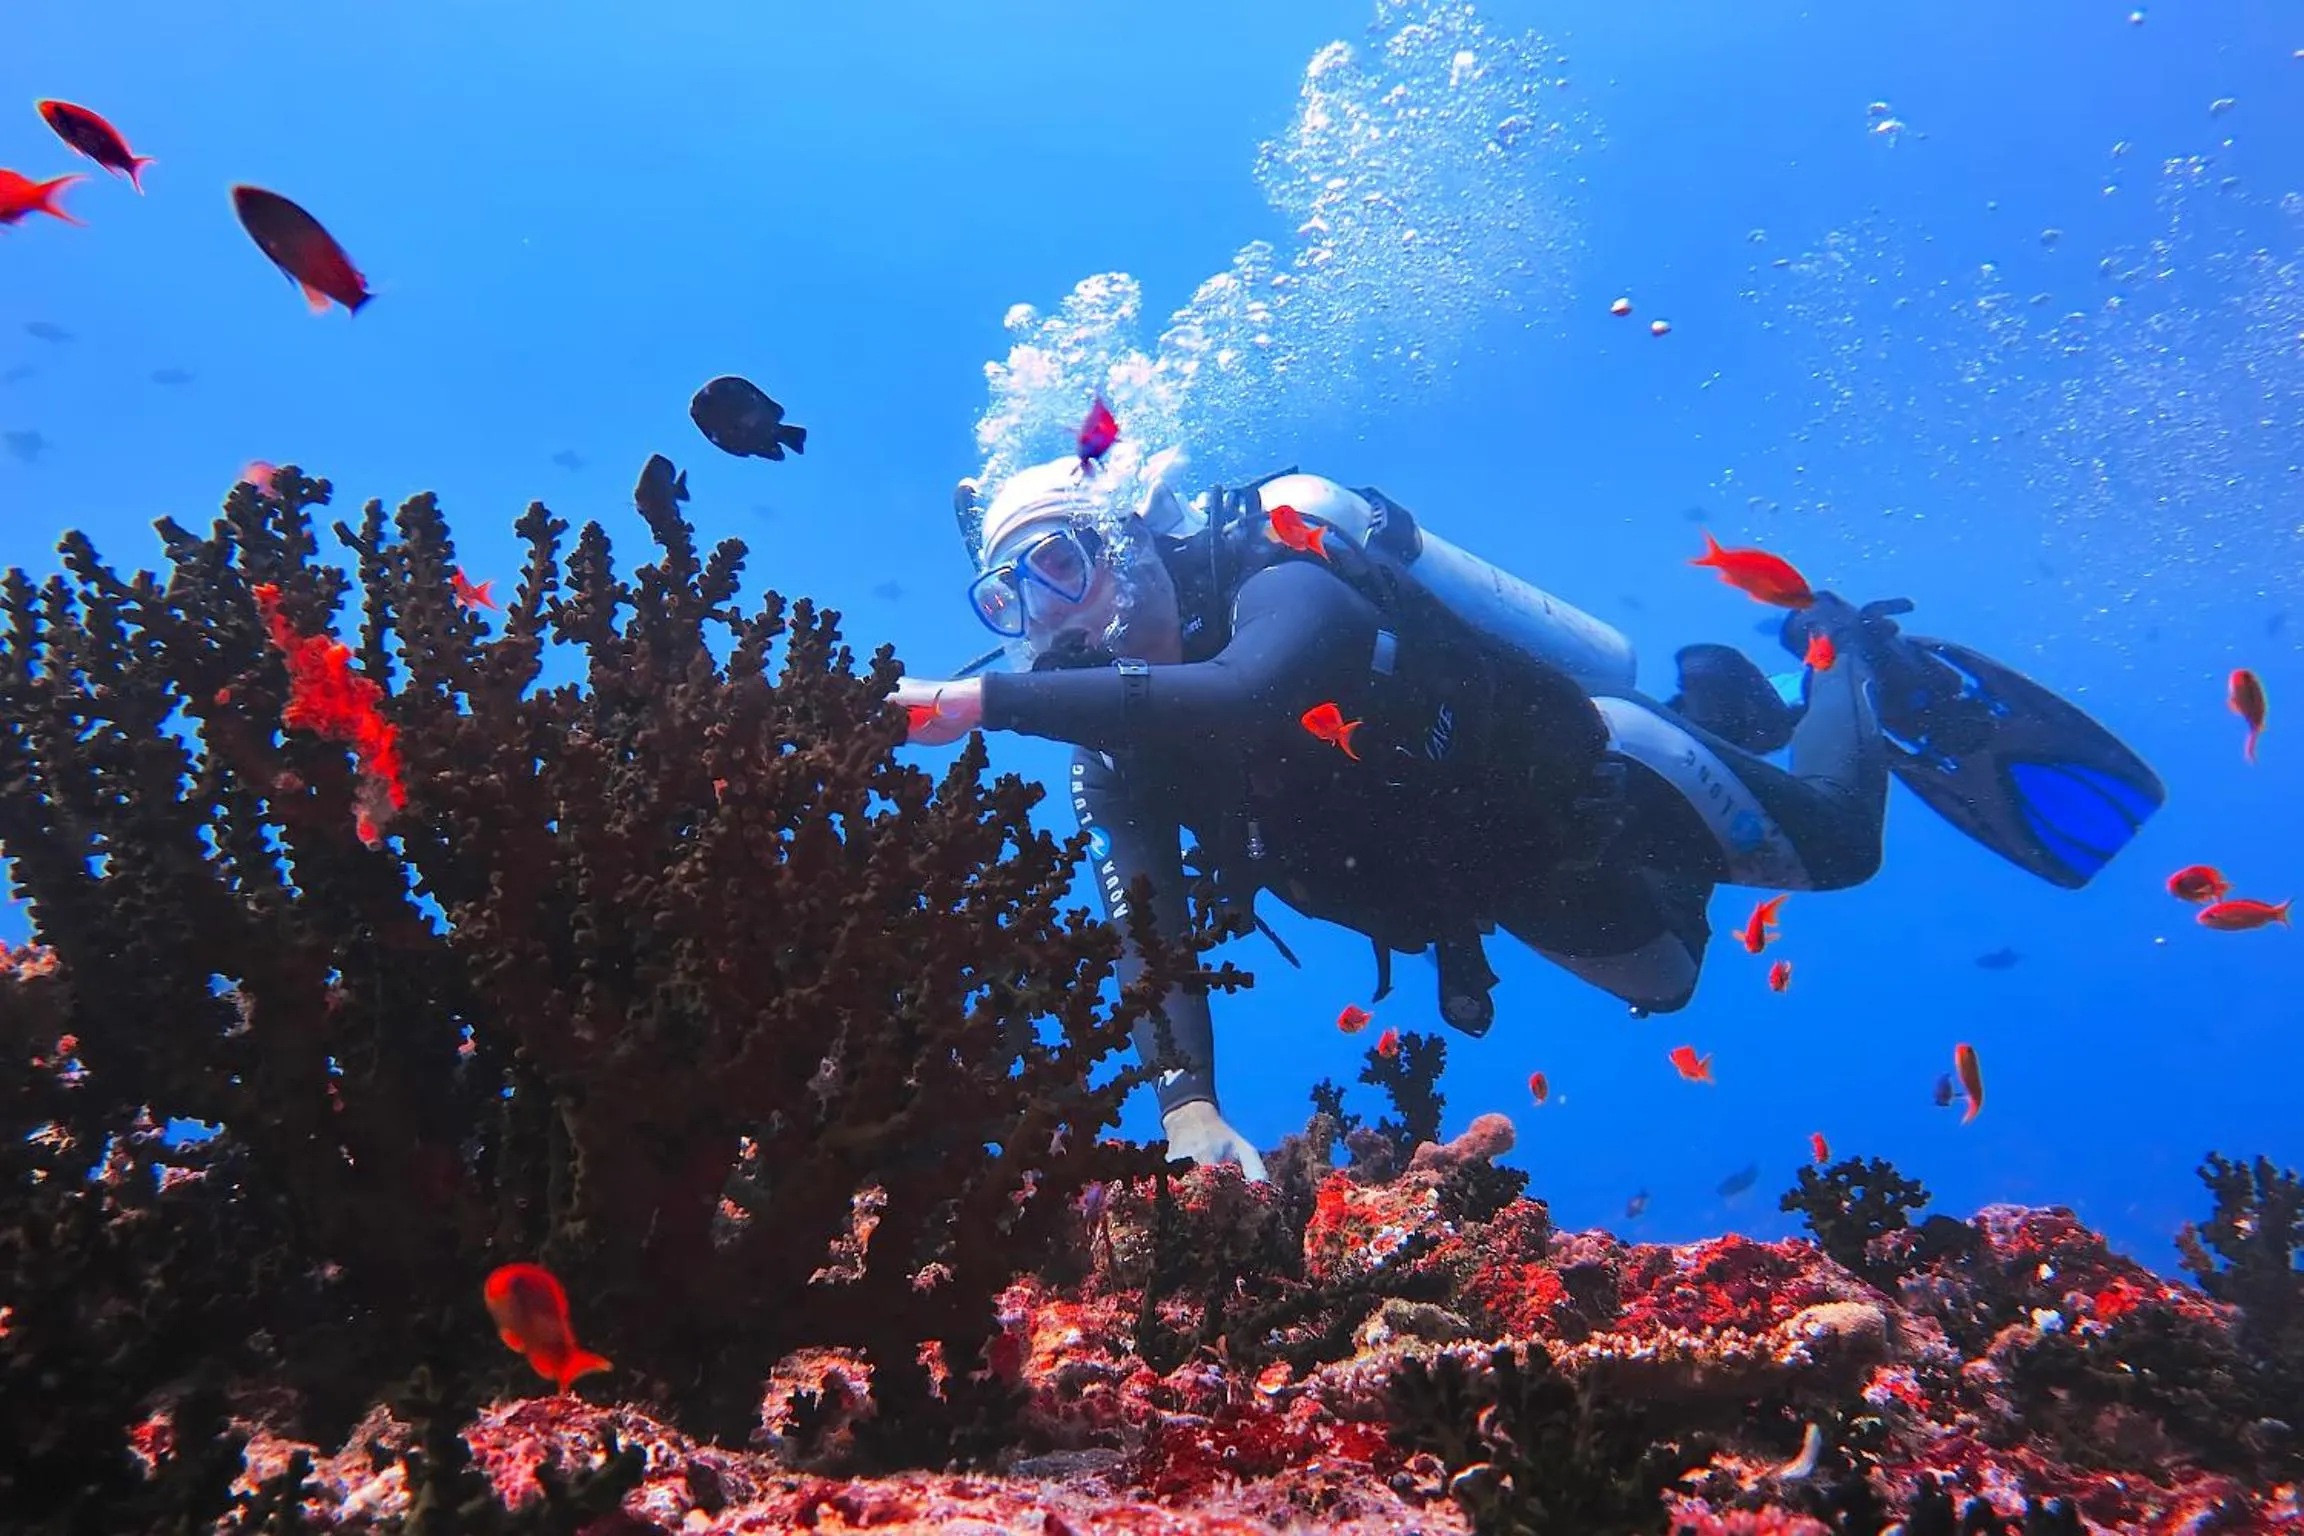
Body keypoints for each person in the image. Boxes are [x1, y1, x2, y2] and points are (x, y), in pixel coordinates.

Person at [892, 458, 2164, 1179]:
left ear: (1133, 542)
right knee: (1667, 985)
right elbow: (1148, 925)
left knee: (1838, 847)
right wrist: (1189, 1112)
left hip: (1595, 770)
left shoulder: (1281, 582)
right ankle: (1727, 703)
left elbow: (1246, 693)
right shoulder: (1117, 759)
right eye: (1012, 601)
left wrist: (980, 698)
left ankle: (1850, 651)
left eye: (1063, 563)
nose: (1051, 613)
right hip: (1495, 876)